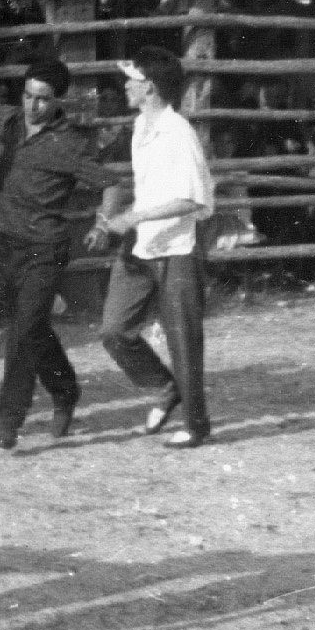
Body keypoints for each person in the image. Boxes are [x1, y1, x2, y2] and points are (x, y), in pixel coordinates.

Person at [0, 56, 108, 447]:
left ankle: (8, 420)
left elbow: (110, 184)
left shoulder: (73, 142)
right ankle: (65, 390)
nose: (33, 106)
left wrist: (103, 223)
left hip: (43, 248)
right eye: (29, 96)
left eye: (43, 99)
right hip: (3, 242)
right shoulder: (10, 121)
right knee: (28, 328)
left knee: (23, 330)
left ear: (58, 101)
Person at [95, 51, 216, 447]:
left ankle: (197, 426)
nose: (125, 86)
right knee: (115, 329)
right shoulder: (140, 127)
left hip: (177, 249)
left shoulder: (179, 132)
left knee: (183, 339)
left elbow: (193, 201)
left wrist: (132, 218)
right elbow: (148, 188)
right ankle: (165, 388)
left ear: (149, 86)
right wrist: (116, 215)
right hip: (141, 245)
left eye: (131, 79)